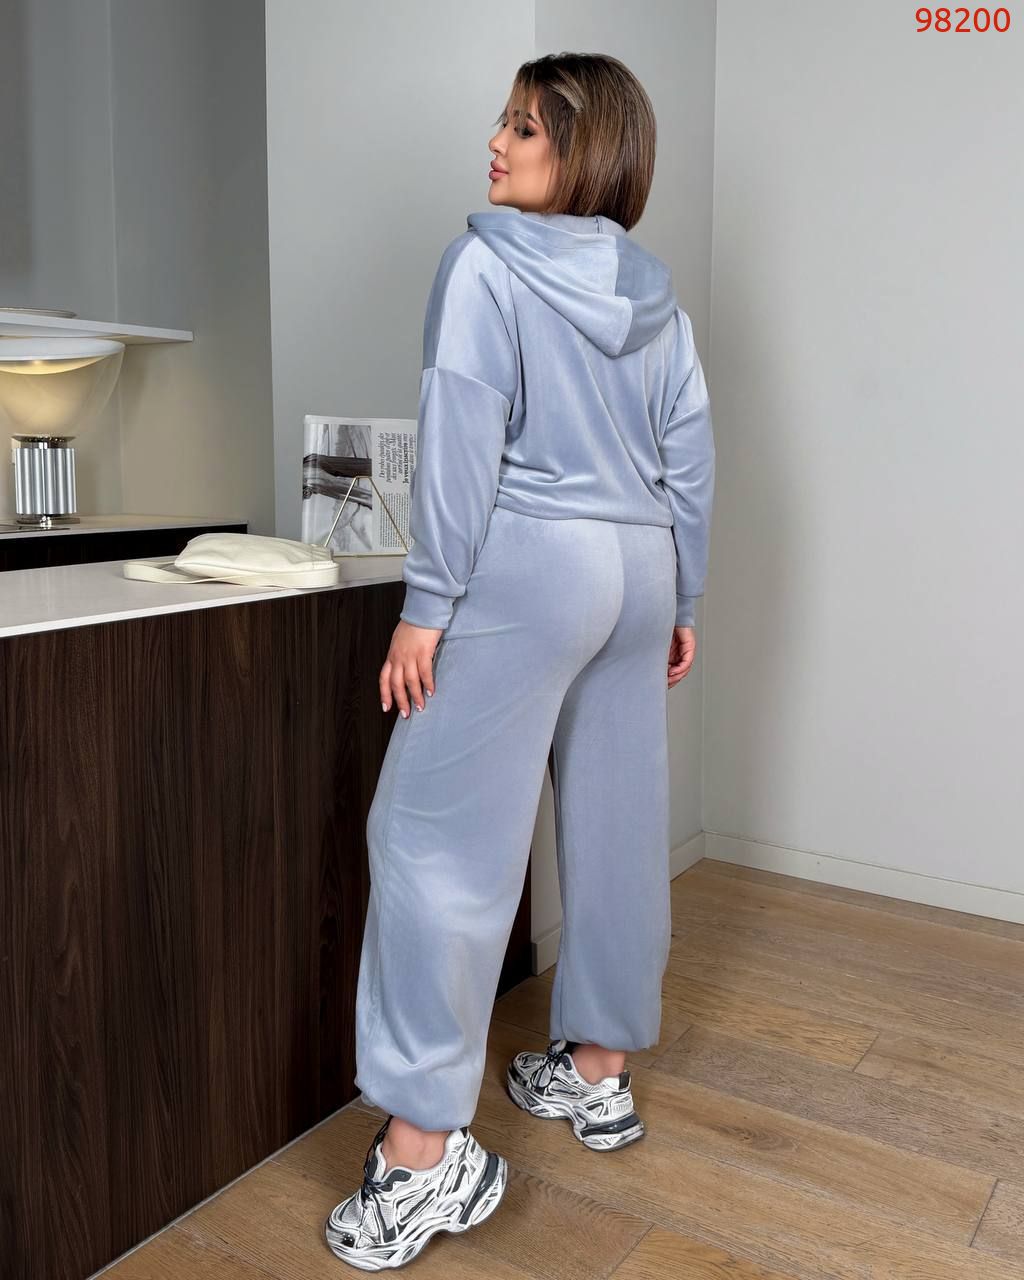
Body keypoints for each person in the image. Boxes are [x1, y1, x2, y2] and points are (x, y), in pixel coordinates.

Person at [324, 51, 715, 1272]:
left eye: (527, 129)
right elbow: (690, 451)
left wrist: (426, 602)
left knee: (430, 840)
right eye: (501, 122)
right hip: (639, 564)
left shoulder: (486, 263)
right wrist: (681, 591)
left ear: (584, 151)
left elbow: (459, 434)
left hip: (532, 566)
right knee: (615, 819)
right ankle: (596, 1068)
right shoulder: (657, 298)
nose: (496, 144)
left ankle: (422, 1154)